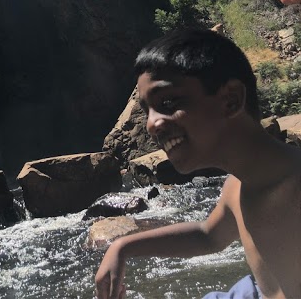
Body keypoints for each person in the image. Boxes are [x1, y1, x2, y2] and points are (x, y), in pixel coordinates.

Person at [95, 28, 301, 299]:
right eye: (147, 111)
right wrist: (122, 246)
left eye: (167, 101)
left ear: (230, 100)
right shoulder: (236, 187)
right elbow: (208, 235)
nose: (151, 125)